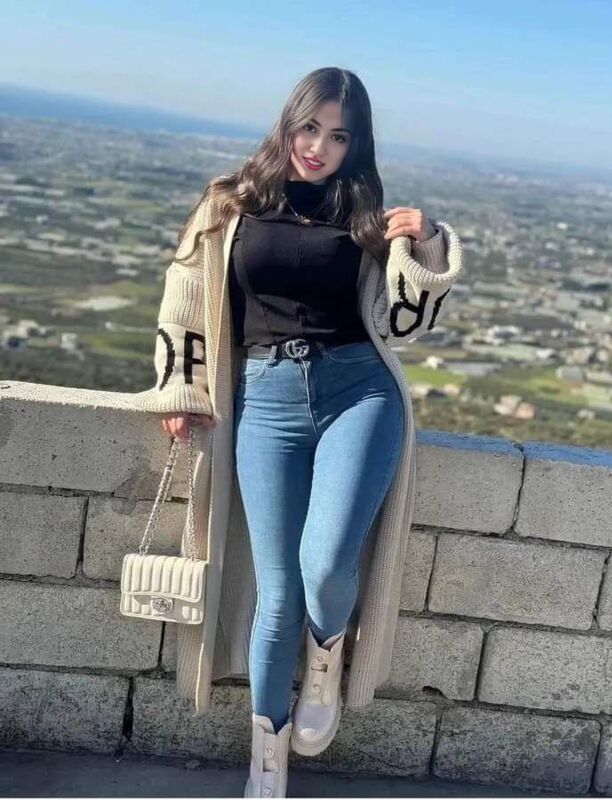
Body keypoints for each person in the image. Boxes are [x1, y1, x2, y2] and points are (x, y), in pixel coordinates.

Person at [142, 66, 463, 798]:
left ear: (357, 145)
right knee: (278, 588)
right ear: (287, 123)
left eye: (339, 136)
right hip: (266, 399)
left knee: (324, 565)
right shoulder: (229, 202)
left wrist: (428, 245)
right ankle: (267, 756)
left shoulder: (366, 213)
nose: (319, 147)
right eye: (310, 128)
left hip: (360, 391)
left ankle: (325, 661)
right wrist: (182, 387)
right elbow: (184, 295)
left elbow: (407, 324)